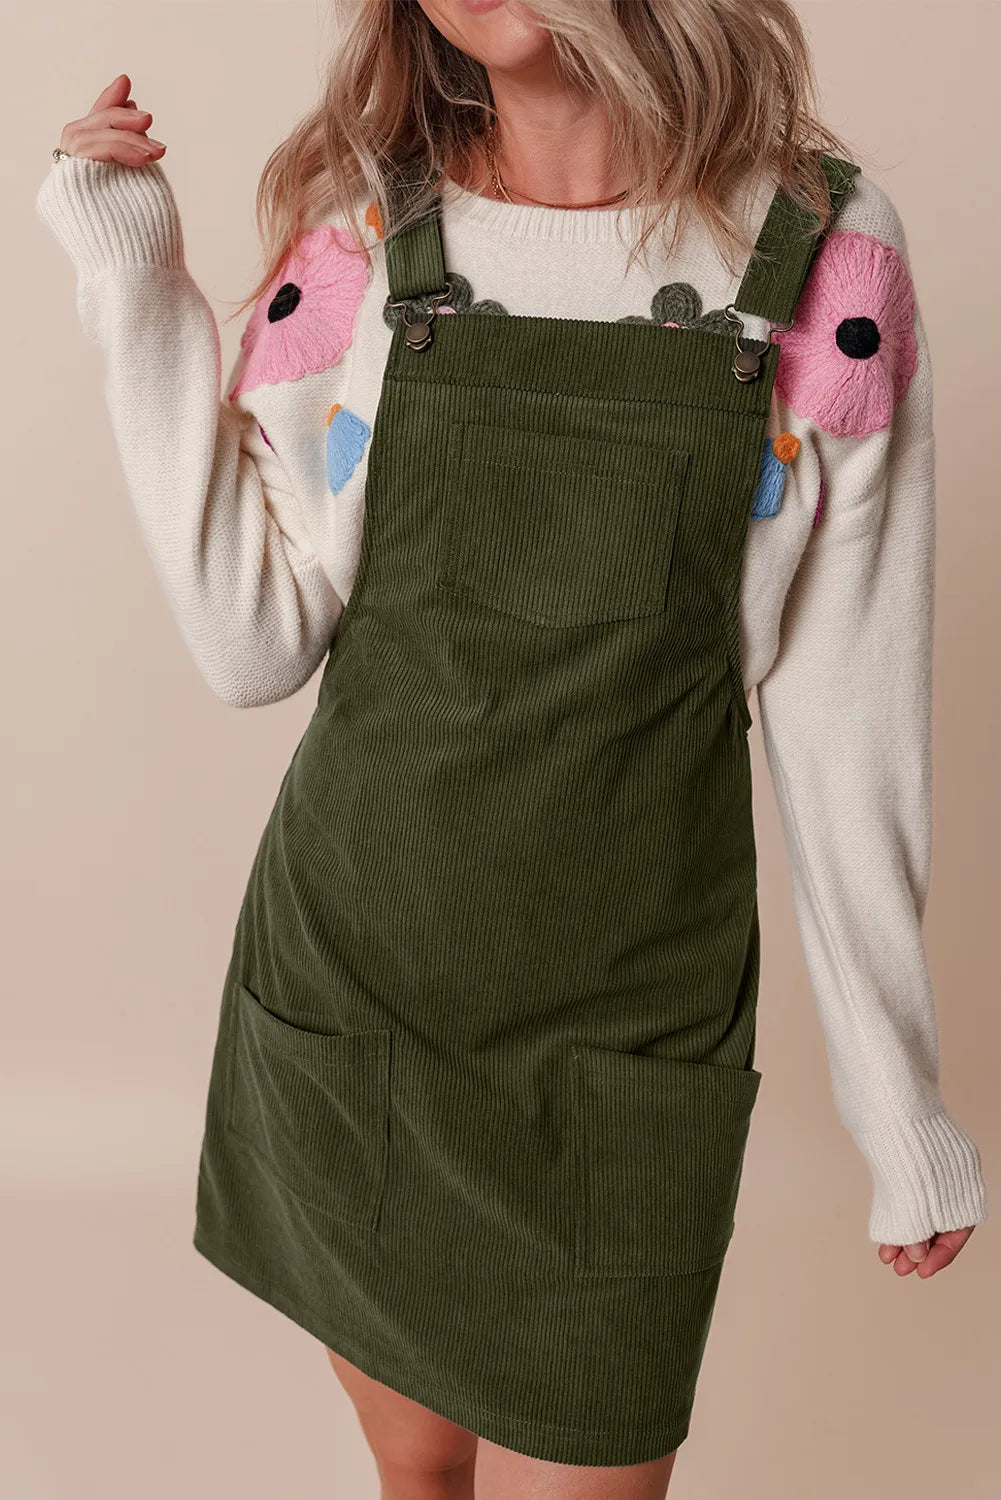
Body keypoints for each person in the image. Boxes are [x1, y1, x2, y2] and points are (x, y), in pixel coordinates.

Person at [37, 2, 987, 1496]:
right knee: (417, 1475)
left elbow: (847, 715)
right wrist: (133, 282)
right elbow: (250, 640)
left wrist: (897, 1102)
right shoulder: (363, 232)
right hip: (358, 1001)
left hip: (627, 1044)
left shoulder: (821, 253)